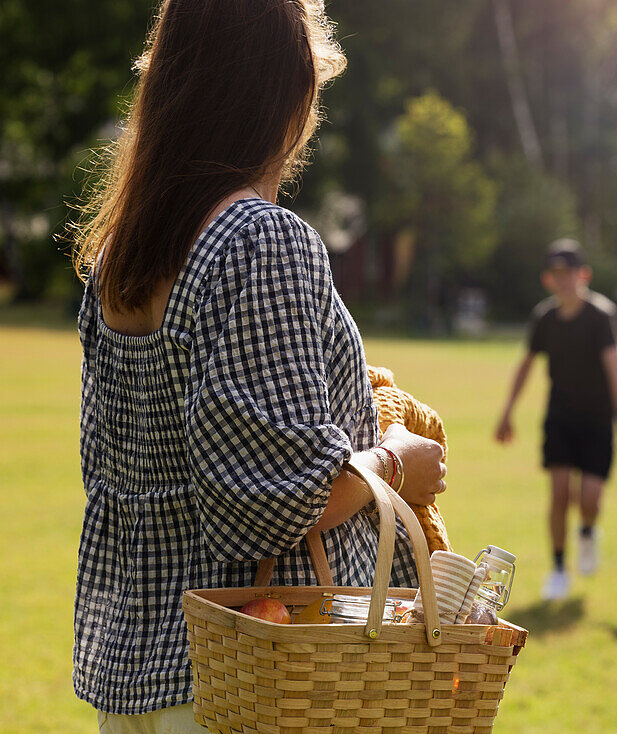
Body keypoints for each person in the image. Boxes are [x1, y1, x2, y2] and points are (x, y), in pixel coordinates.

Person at [69, 1, 446, 730]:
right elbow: (270, 505)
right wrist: (395, 462)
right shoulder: (258, 241)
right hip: (258, 675)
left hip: (141, 677)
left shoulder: (119, 252)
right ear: (286, 88)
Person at [494, 239, 617, 600]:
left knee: (588, 499)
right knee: (559, 494)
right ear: (548, 279)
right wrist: (508, 410)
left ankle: (587, 532)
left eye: (570, 273)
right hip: (560, 418)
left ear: (583, 275)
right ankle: (558, 569)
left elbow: (615, 369)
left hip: (598, 421)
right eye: (557, 274)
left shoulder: (601, 316)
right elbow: (527, 364)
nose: (564, 281)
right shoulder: (545, 317)